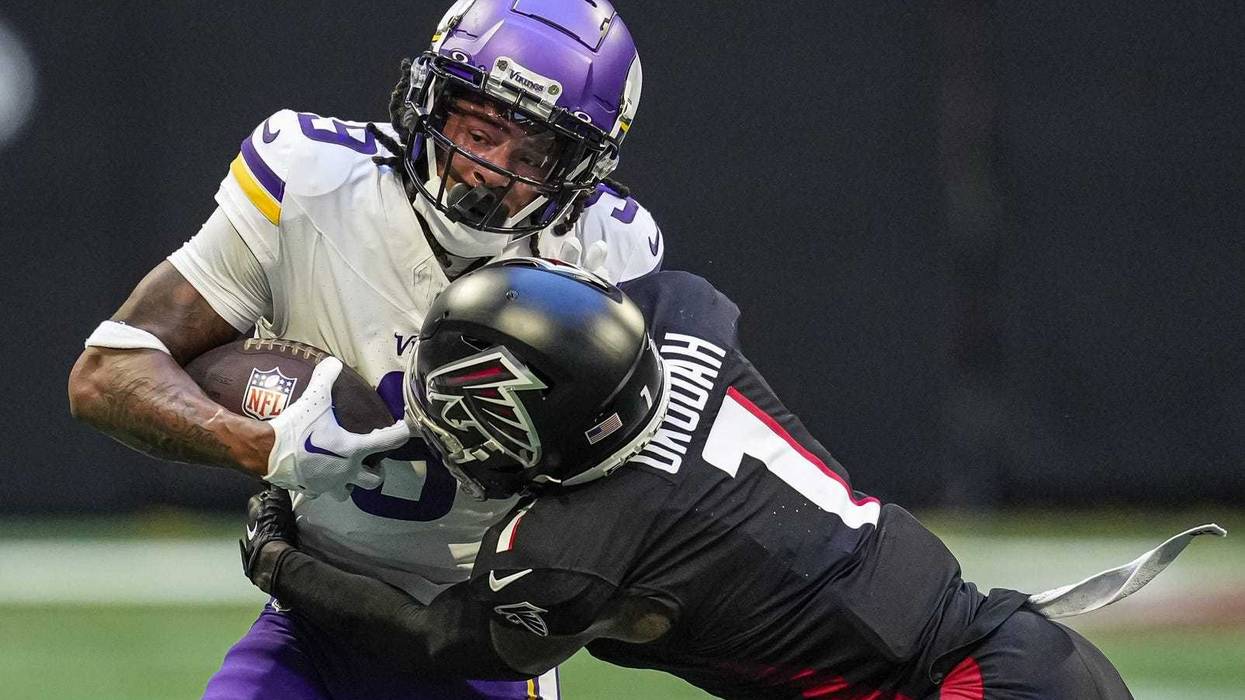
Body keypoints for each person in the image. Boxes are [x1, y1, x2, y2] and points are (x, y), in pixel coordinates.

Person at [239, 258, 1223, 699]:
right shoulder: (683, 317)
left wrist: (282, 562)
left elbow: (444, 638)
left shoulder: (573, 549)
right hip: (1023, 650)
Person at [67, 1, 658, 697]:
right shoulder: (312, 178)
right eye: (480, 130)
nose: (492, 170)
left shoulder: (607, 251)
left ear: (581, 171)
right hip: (315, 615)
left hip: (480, 637)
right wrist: (259, 444)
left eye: (533, 154)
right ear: (430, 98)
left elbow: (630, 492)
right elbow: (108, 370)